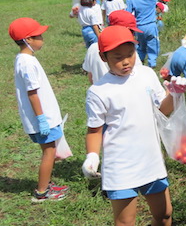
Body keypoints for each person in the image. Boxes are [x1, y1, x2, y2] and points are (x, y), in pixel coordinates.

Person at [83, 26, 186, 226]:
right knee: (124, 224)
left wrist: (176, 94)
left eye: (130, 53)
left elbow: (163, 109)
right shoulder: (99, 91)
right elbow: (94, 129)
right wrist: (93, 156)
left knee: (164, 213)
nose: (126, 60)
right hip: (121, 166)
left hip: (150, 161)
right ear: (104, 57)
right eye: (117, 56)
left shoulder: (145, 75)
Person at [9, 17, 68, 202]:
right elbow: (32, 93)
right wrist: (41, 119)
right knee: (49, 152)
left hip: (45, 116)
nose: (42, 37)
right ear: (28, 40)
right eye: (38, 35)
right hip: (42, 118)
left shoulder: (26, 59)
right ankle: (42, 192)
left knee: (49, 151)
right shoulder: (27, 63)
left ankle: (46, 183)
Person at [82, 10, 142, 85]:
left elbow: (90, 76)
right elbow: (139, 76)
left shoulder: (92, 48)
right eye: (131, 32)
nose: (133, 35)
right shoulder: (129, 53)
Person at [126, 0, 161, 67]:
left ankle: (140, 61)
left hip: (139, 27)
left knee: (141, 46)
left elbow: (128, 14)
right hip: (151, 26)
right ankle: (152, 63)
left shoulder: (132, 0)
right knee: (153, 45)